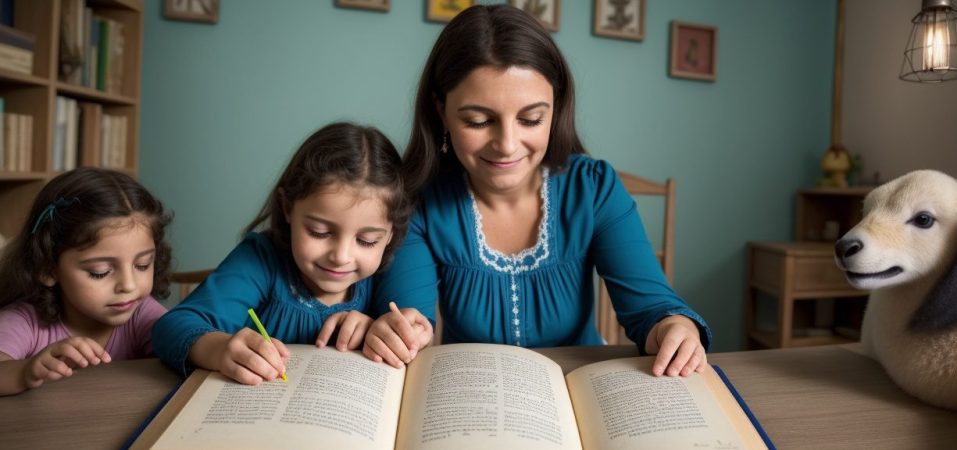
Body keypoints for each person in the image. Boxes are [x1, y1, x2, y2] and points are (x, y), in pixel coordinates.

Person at [366, 4, 712, 377]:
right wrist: (398, 334)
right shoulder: (419, 202)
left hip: (580, 397)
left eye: (531, 119)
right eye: (478, 121)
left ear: (555, 108)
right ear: (441, 111)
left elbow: (653, 310)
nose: (507, 144)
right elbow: (407, 320)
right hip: (469, 398)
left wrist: (675, 327)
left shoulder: (593, 188)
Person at [153, 122, 420, 384]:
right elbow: (171, 327)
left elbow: (413, 330)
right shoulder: (261, 260)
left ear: (391, 234)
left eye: (366, 240)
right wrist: (219, 349)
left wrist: (383, 332)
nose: (341, 256)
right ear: (287, 207)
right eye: (319, 232)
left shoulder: (388, 277)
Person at [0, 168, 173, 395]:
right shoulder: (25, 321)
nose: (129, 285)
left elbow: (184, 346)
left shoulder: (142, 314)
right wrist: (25, 371)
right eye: (100, 272)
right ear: (48, 267)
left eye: (142, 265)